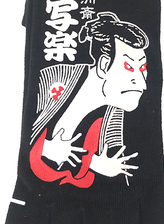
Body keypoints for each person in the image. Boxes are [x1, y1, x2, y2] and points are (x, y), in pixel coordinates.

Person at [29, 12, 149, 188]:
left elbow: (115, 163)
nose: (142, 84)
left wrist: (97, 165)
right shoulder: (53, 78)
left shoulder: (114, 111)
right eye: (129, 67)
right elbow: (22, 128)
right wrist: (45, 148)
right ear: (103, 65)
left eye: (143, 67)